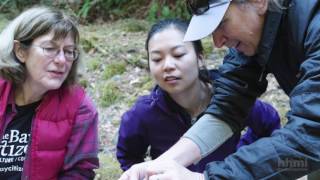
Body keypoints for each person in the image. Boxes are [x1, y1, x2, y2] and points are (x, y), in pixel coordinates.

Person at [119, 0, 320, 179]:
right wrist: (160, 165)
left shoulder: (314, 26)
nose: (217, 42)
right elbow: (228, 106)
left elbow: (310, 138)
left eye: (222, 23)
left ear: (258, 2)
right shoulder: (257, 37)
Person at [116, 19, 280, 172]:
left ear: (200, 58)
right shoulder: (143, 114)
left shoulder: (229, 99)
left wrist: (241, 158)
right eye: (157, 59)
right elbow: (129, 157)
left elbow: (269, 123)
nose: (167, 66)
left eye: (178, 55)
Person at [0, 6, 99, 179]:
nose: (61, 60)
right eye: (50, 48)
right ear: (21, 51)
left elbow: (79, 172)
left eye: (68, 51)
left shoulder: (81, 108)